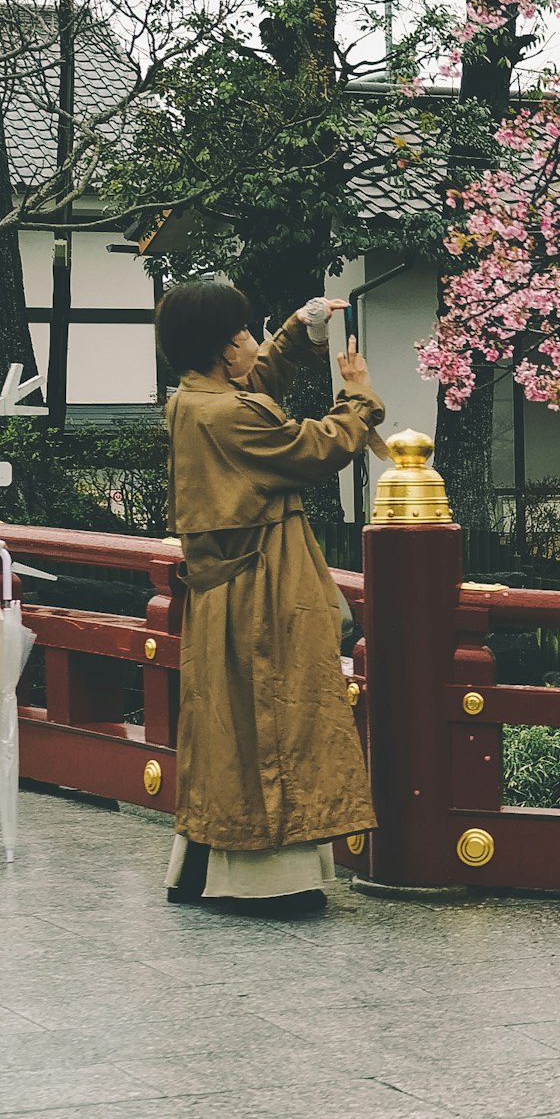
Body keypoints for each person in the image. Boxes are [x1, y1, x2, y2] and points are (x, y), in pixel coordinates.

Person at [157, 275, 386, 915]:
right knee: (278, 717)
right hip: (262, 590)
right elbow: (311, 448)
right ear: (225, 350)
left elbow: (255, 391)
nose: (254, 346)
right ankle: (270, 878)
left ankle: (212, 864)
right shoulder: (229, 416)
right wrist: (359, 401)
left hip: (224, 591)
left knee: (227, 725)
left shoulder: (193, 402)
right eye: (247, 336)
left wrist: (298, 332)